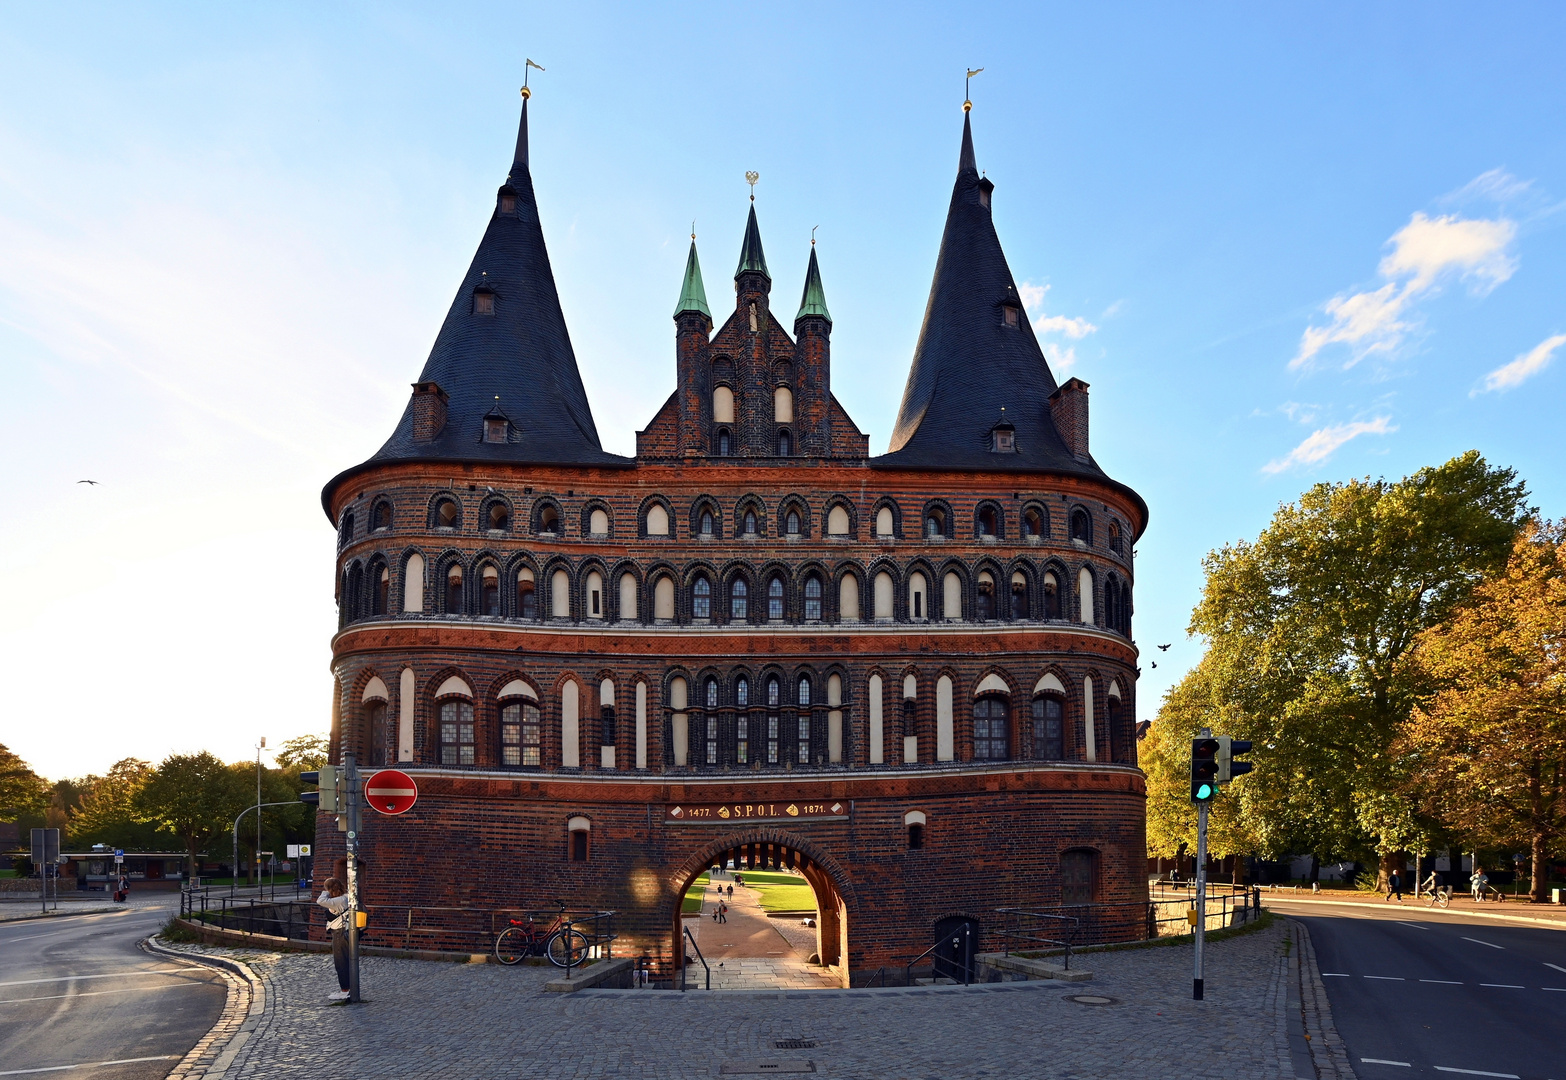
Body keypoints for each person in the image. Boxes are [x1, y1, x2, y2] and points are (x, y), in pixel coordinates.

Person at [316, 877, 352, 1001]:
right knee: (346, 961)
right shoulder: (346, 897)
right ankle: (349, 988)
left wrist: (325, 891)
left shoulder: (339, 900)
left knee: (340, 962)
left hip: (339, 932)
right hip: (345, 931)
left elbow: (320, 901)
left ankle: (345, 990)